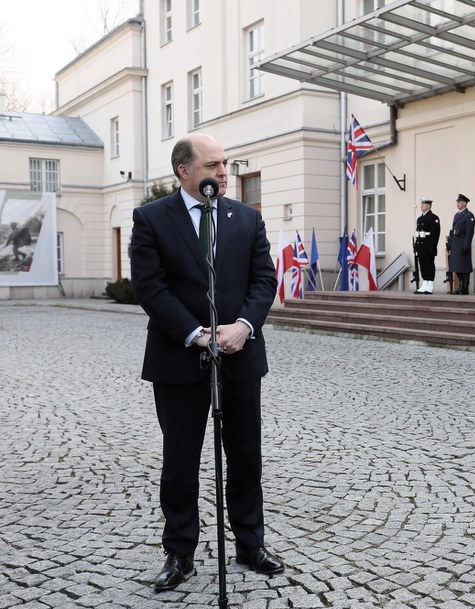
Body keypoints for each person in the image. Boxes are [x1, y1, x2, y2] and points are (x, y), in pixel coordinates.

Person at [131, 133, 284, 592]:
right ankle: (179, 553)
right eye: (214, 164)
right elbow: (149, 286)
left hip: (240, 357)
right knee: (180, 461)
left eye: (226, 163)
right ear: (185, 171)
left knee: (245, 457)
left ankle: (250, 543)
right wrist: (196, 334)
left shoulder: (246, 218)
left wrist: (243, 325)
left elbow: (264, 278)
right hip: (179, 361)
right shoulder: (151, 219)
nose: (223, 172)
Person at [448, 193, 475, 295]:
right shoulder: (456, 215)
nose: (457, 203)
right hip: (456, 244)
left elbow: (470, 232)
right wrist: (450, 243)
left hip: (463, 244)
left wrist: (466, 245)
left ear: (464, 203)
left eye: (459, 202)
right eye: (457, 202)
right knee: (457, 267)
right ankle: (460, 287)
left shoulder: (469, 215)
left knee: (464, 267)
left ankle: (465, 288)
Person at [413, 197, 441, 294]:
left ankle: (430, 285)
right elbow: (418, 233)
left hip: (428, 246)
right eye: (421, 204)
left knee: (429, 265)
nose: (421, 206)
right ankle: (424, 284)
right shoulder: (420, 219)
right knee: (422, 265)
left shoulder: (434, 218)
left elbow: (435, 234)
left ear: (429, 205)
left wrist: (432, 247)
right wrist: (416, 246)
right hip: (421, 246)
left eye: (424, 204)